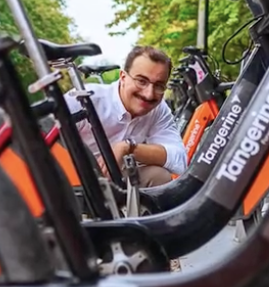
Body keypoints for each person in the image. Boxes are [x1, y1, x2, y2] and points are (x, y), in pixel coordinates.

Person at [65, 45, 187, 187]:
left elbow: (179, 160)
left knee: (159, 176)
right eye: (141, 81)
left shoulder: (158, 110)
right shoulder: (85, 99)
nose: (149, 94)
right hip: (73, 180)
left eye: (159, 86)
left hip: (117, 179)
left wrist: (127, 148)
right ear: (123, 77)